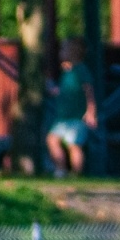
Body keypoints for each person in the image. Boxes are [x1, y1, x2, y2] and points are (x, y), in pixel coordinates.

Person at [45, 38, 97, 176]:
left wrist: (91, 111)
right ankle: (60, 169)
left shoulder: (81, 69)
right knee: (52, 139)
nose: (60, 52)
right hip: (63, 117)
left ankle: (75, 173)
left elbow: (89, 90)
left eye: (64, 49)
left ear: (74, 52)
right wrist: (53, 90)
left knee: (74, 146)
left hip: (76, 117)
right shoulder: (67, 72)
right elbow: (64, 91)